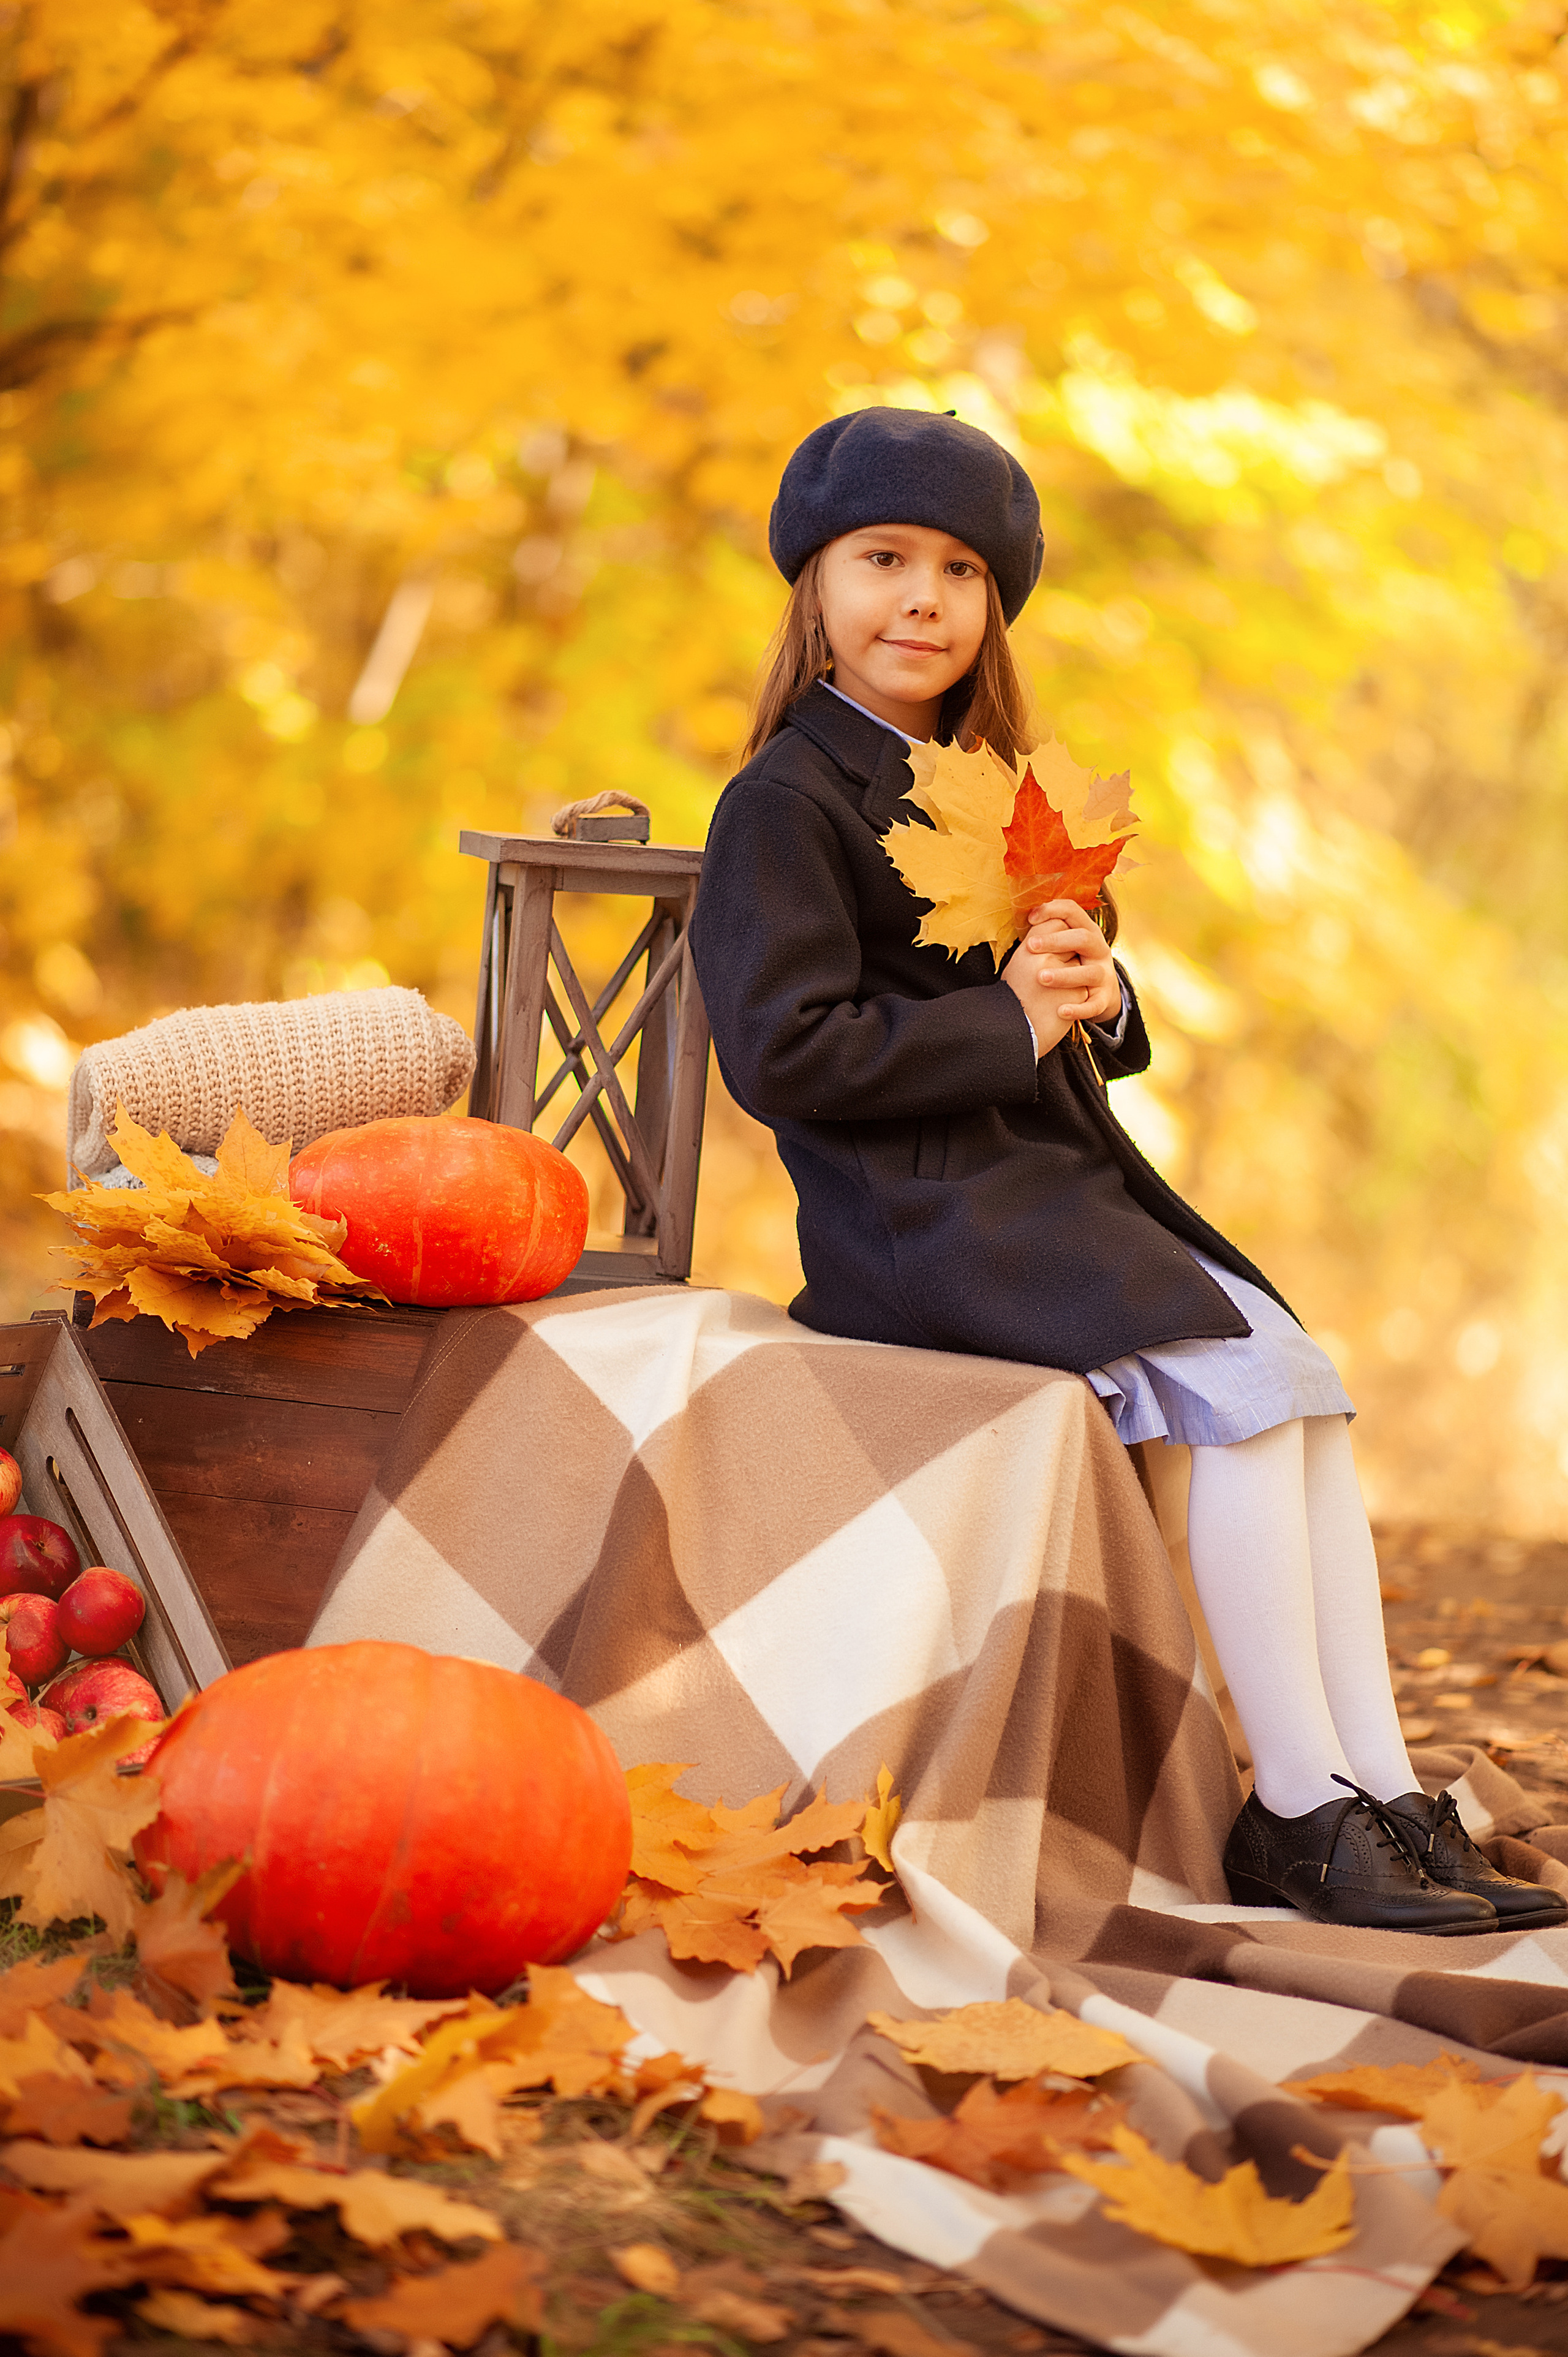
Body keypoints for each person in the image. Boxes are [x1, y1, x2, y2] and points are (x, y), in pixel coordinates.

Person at [689, 406, 1564, 1938]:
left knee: (1300, 1379)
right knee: (1240, 1390)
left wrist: (1095, 987)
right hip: (921, 1226)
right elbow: (783, 1057)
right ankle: (1294, 1809)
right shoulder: (782, 803)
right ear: (812, 589)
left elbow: (1066, 1016)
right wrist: (1003, 1017)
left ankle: (1377, 1788)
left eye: (961, 572)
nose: (921, 600)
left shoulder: (978, 780)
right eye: (882, 560)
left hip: (1044, 1195)